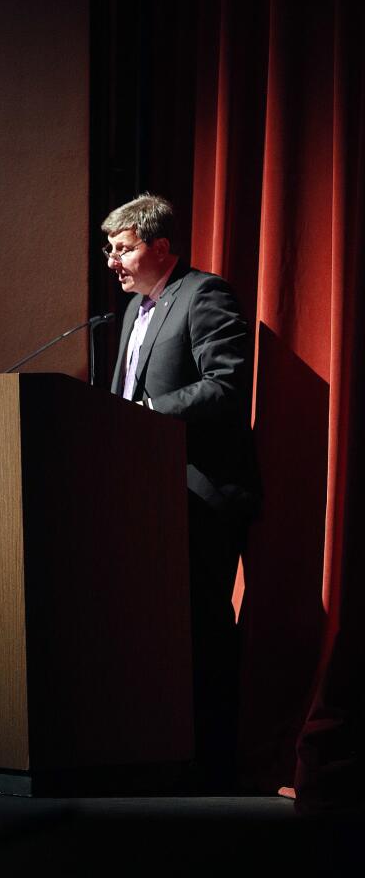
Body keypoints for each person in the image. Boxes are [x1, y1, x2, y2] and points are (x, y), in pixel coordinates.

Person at [102, 192, 260, 790]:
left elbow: (227, 383)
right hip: (146, 496)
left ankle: (213, 763)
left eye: (123, 249)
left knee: (203, 627)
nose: (112, 261)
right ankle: (162, 749)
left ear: (160, 247)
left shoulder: (204, 294)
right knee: (156, 628)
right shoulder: (133, 312)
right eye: (109, 250)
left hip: (203, 495)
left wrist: (147, 414)